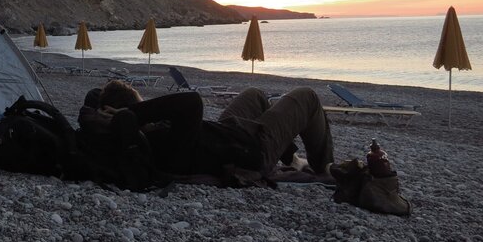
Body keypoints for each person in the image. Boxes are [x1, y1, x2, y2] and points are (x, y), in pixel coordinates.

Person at [78, 80, 334, 185]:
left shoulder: (147, 134)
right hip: (252, 149)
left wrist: (109, 113)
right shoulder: (159, 141)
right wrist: (133, 114)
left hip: (227, 133)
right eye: (141, 102)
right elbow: (192, 101)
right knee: (307, 96)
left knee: (254, 95)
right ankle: (325, 166)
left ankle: (291, 158)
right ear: (136, 110)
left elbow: (91, 99)